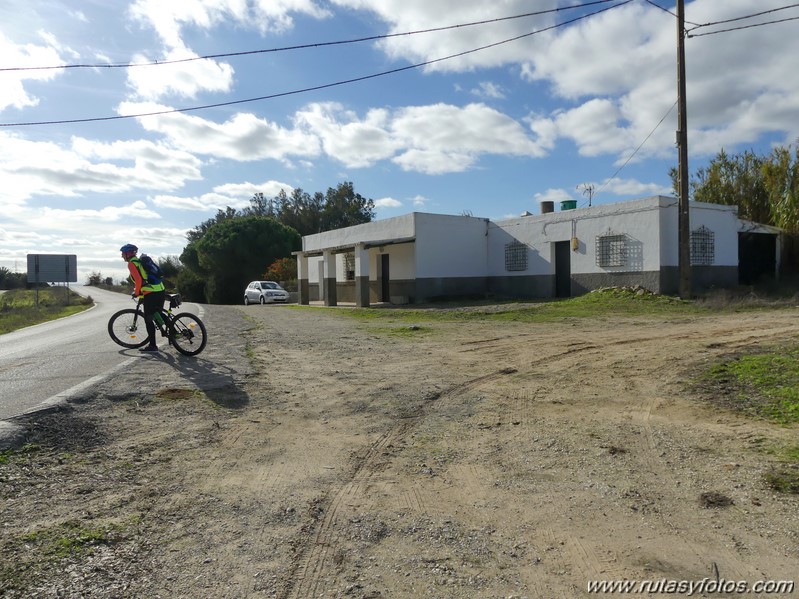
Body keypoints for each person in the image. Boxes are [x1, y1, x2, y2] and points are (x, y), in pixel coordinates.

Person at [120, 243, 166, 353]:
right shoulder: (140, 261)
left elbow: (139, 280)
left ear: (127, 254)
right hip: (160, 289)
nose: (121, 256)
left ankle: (153, 346)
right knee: (157, 312)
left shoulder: (132, 264)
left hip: (151, 292)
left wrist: (136, 293)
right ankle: (173, 332)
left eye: (122, 253)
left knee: (148, 318)